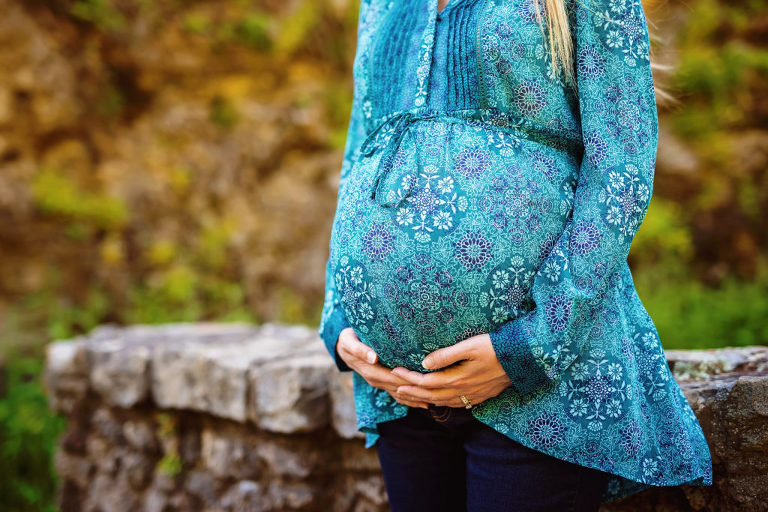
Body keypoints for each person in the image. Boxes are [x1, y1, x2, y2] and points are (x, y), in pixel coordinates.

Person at [318, 0, 714, 509]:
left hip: (538, 392)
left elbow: (622, 168)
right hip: (398, 391)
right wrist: (340, 319)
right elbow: (360, 154)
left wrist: (533, 346)